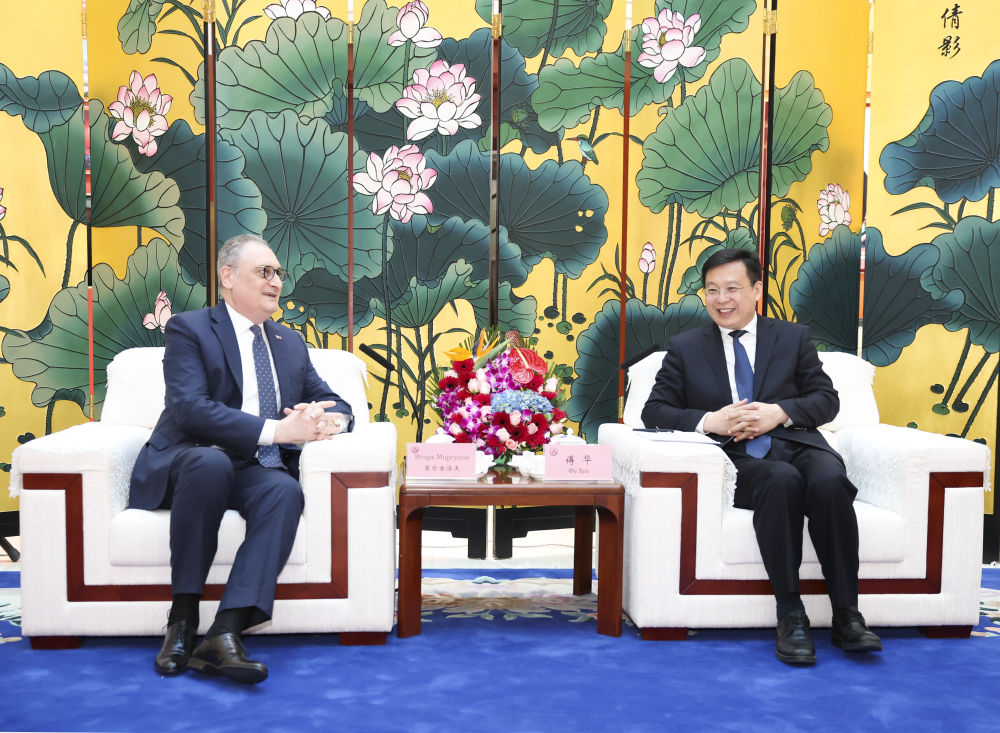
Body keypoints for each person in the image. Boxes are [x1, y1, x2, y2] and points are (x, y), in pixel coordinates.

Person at [129, 234, 354, 684]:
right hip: (190, 459)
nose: (276, 282)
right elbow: (190, 409)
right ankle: (183, 619)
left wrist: (326, 421)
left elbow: (335, 402)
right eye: (264, 272)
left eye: (278, 273)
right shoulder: (190, 329)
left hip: (253, 467)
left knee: (284, 490)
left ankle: (225, 632)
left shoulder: (289, 342)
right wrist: (278, 431)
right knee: (210, 465)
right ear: (228, 277)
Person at [641, 247, 881, 665]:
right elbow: (654, 411)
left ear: (756, 290)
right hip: (737, 459)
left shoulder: (793, 338)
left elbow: (826, 400)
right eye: (712, 290)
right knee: (779, 480)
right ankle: (791, 614)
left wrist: (780, 412)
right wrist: (710, 421)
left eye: (732, 288)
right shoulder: (685, 347)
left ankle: (847, 614)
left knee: (827, 480)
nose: (722, 299)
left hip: (800, 444)